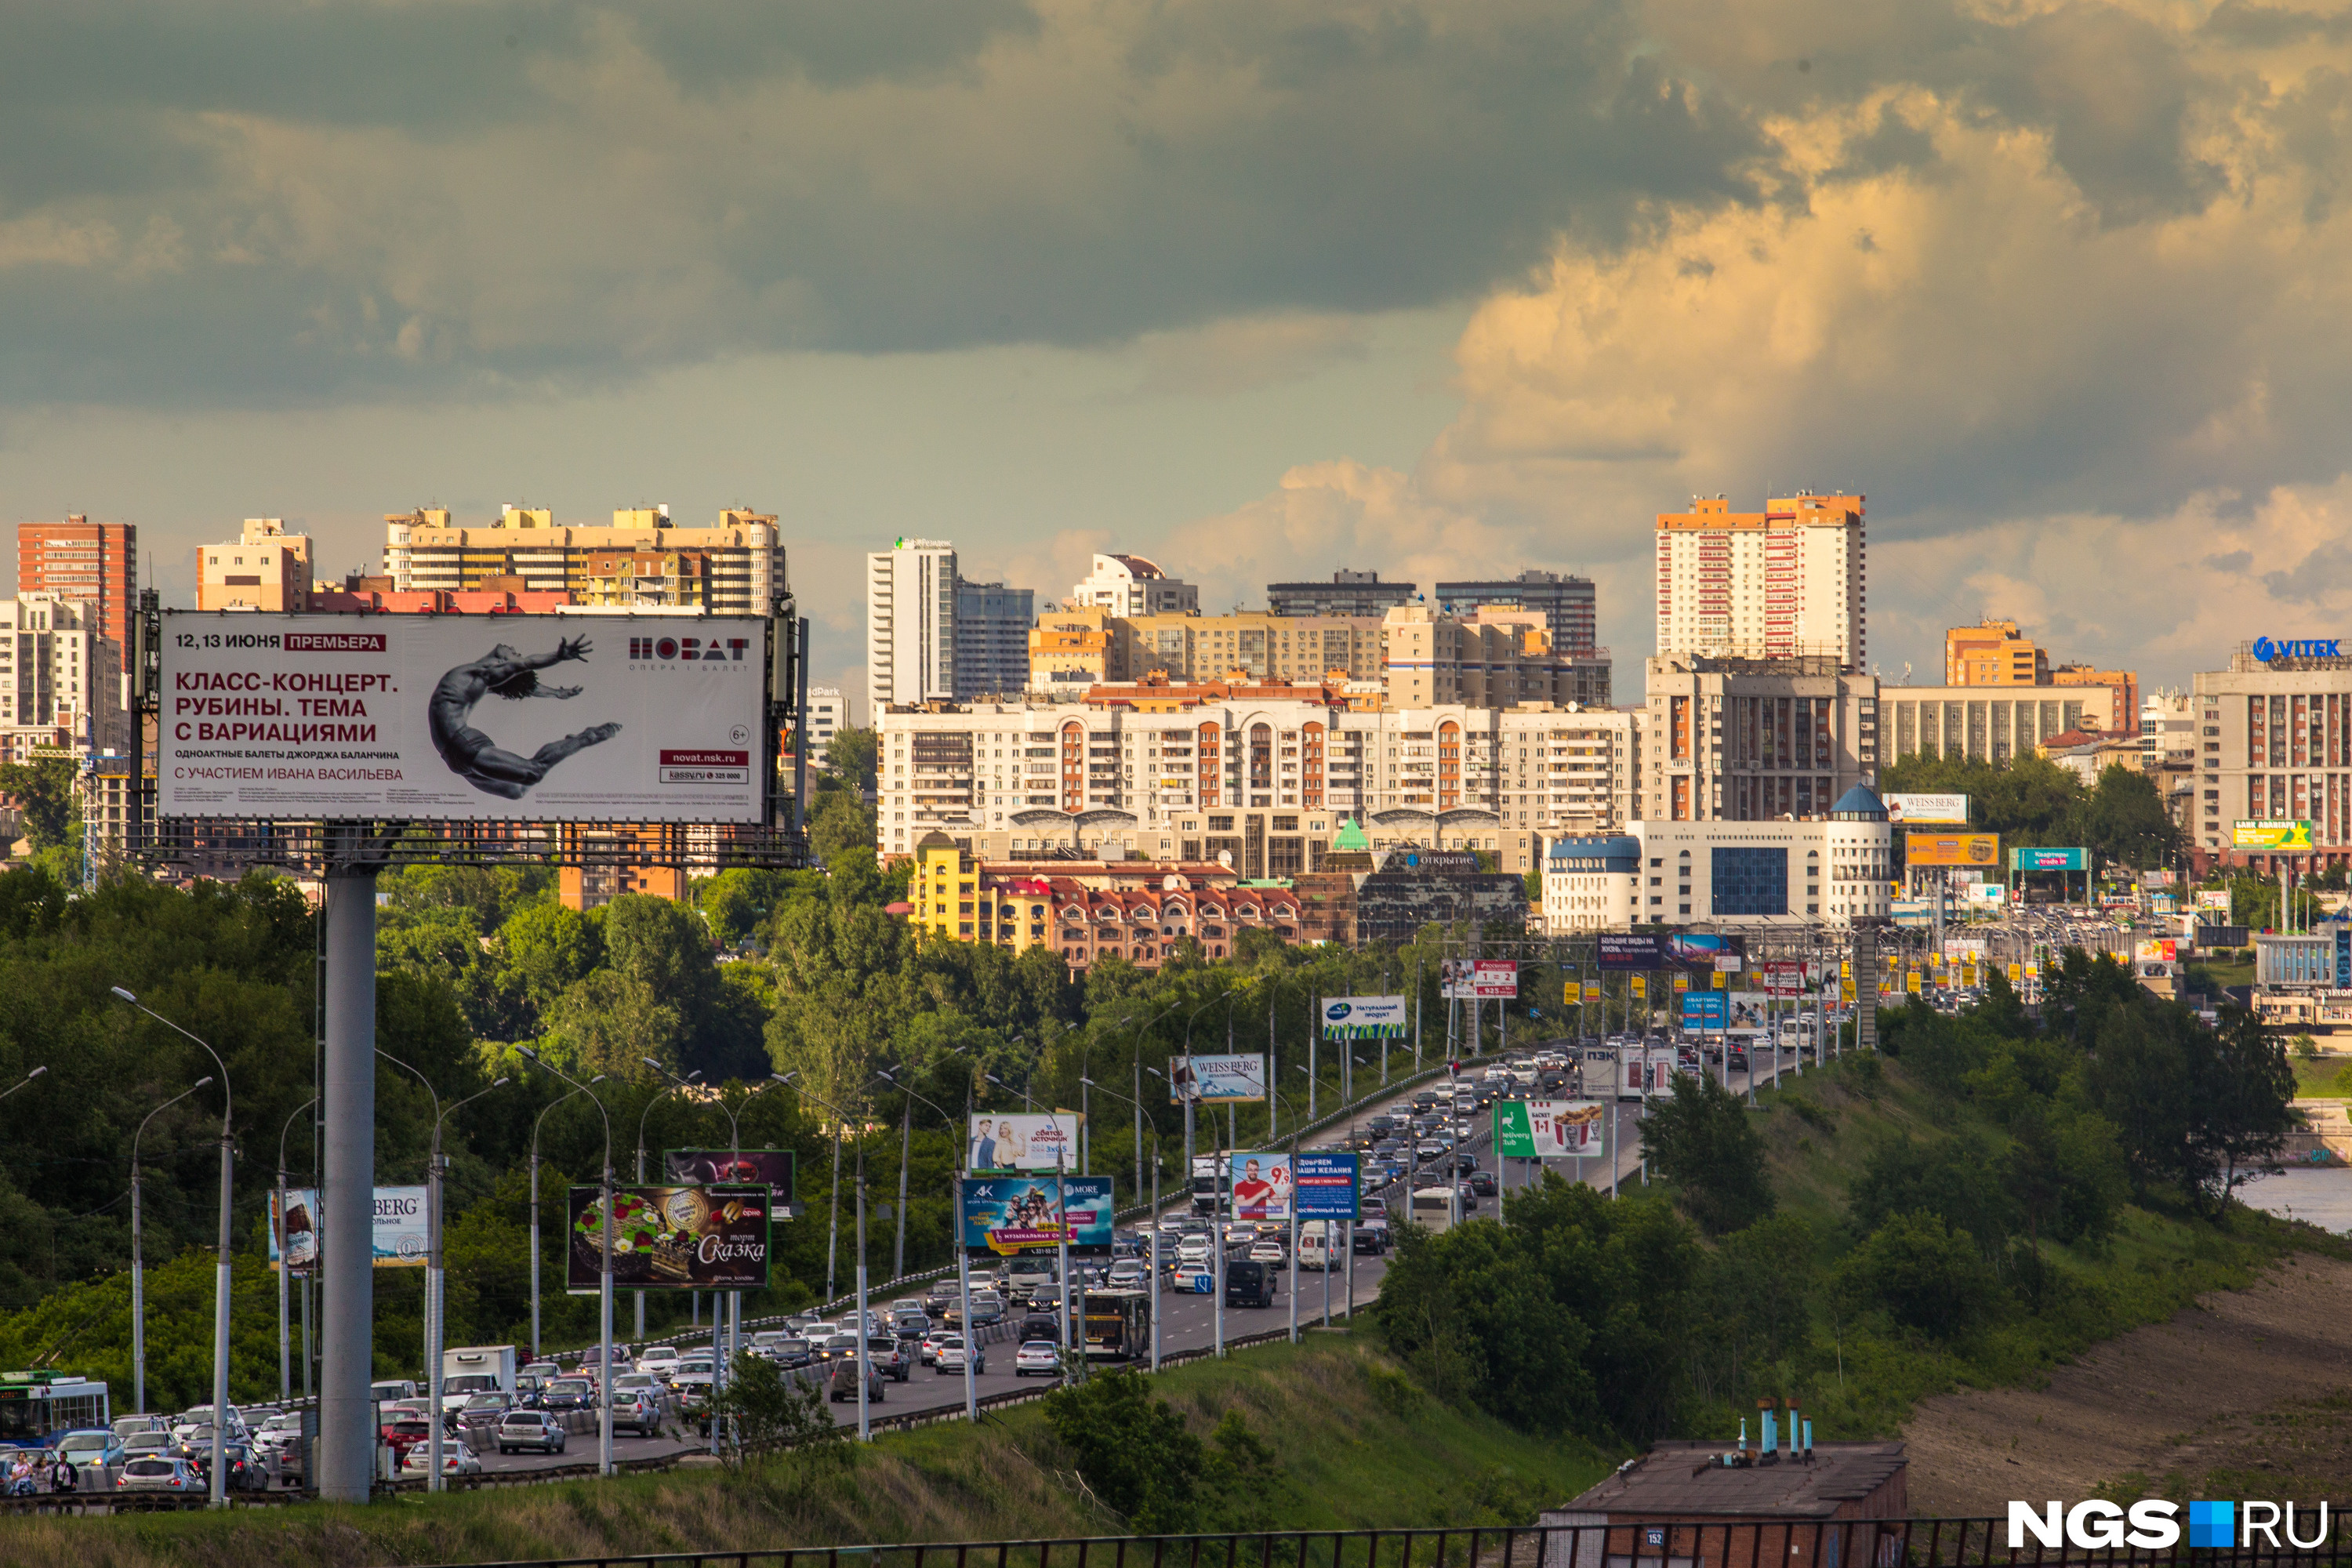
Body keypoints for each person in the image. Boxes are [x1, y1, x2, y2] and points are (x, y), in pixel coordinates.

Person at [426, 634, 622, 800]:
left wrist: (557, 672)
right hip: (453, 756)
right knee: (517, 791)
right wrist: (556, 673)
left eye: (516, 655)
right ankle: (568, 745)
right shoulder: (477, 677)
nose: (515, 652)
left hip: (464, 745)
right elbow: (523, 673)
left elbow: (525, 668)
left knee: (532, 774)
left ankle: (587, 737)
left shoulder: (482, 676)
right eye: (516, 654)